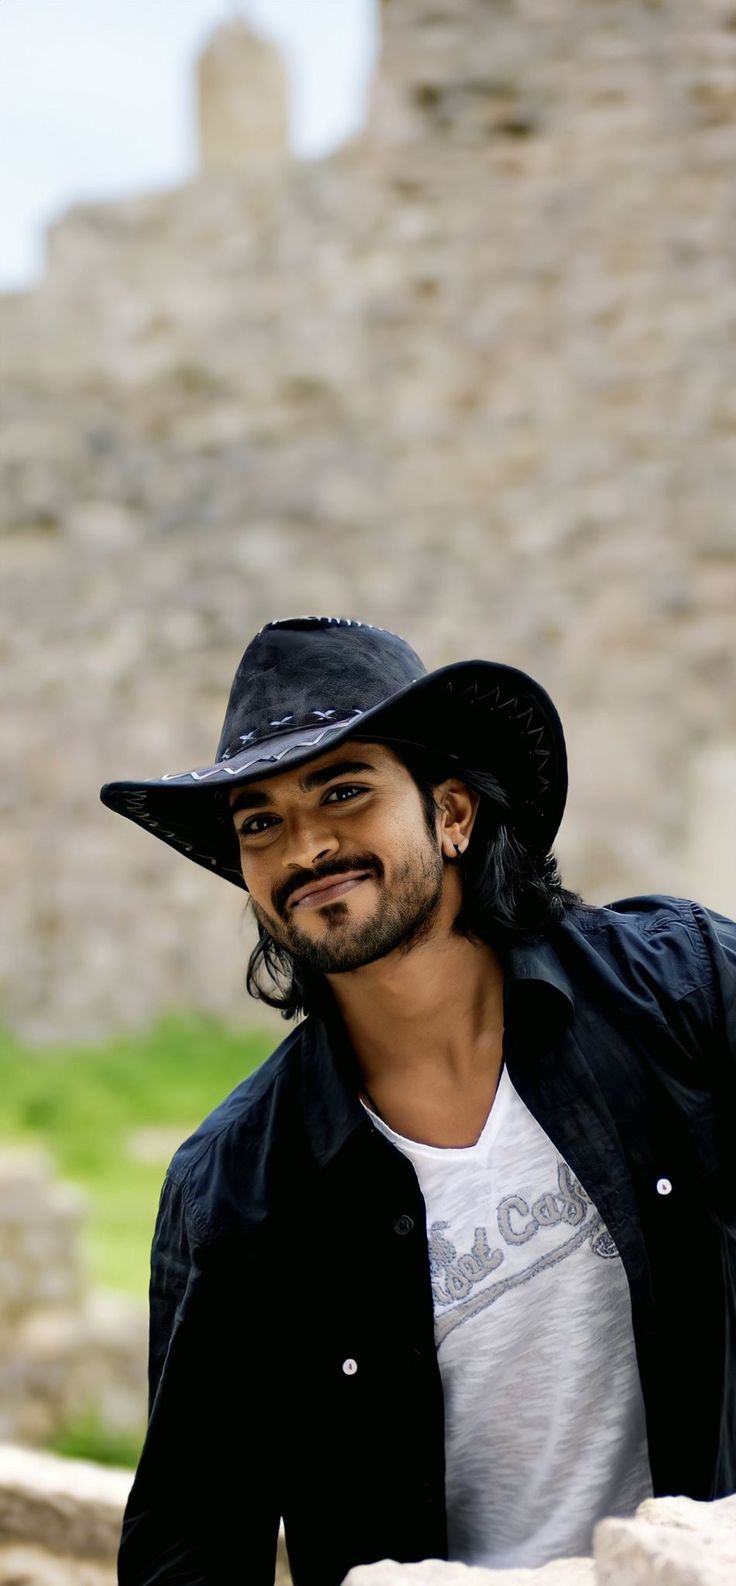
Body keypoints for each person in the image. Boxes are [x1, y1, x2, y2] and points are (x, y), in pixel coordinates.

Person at [100, 614, 736, 1586]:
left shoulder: (680, 991)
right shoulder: (236, 1188)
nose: (306, 845)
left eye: (343, 791)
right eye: (260, 821)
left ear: (452, 814)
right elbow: (189, 1543)